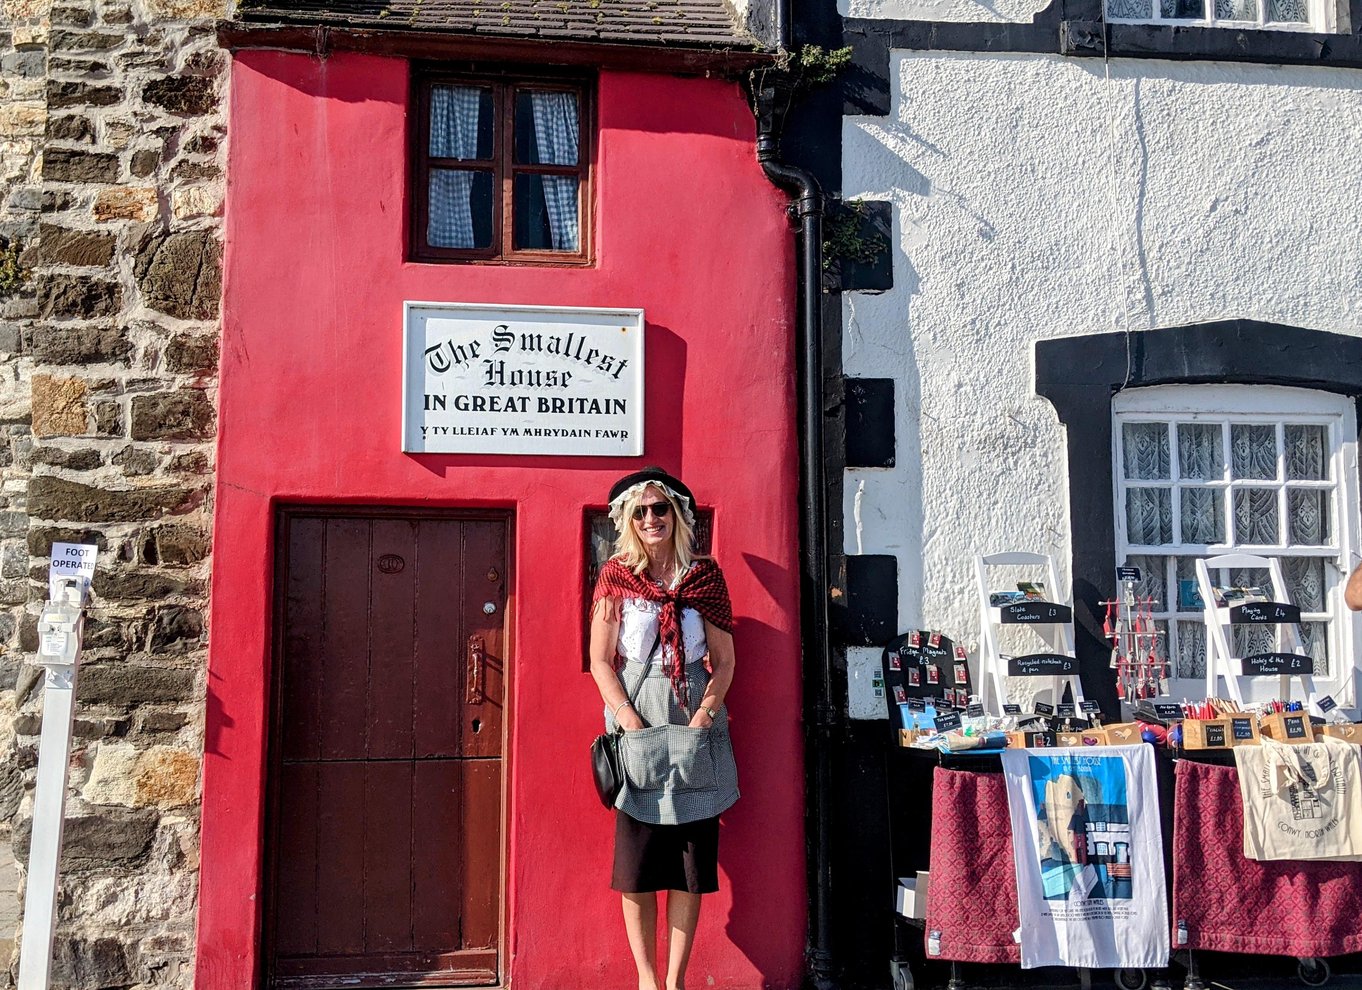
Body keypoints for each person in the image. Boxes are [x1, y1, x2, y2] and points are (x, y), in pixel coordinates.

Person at [589, 467, 739, 990]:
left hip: (692, 721)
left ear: (677, 516)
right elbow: (601, 660)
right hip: (638, 724)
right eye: (640, 511)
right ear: (628, 520)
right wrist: (629, 721)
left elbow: (725, 660)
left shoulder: (705, 577)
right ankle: (647, 981)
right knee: (638, 862)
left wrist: (704, 715)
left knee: (688, 863)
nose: (651, 518)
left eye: (660, 509)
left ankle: (675, 982)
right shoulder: (614, 577)